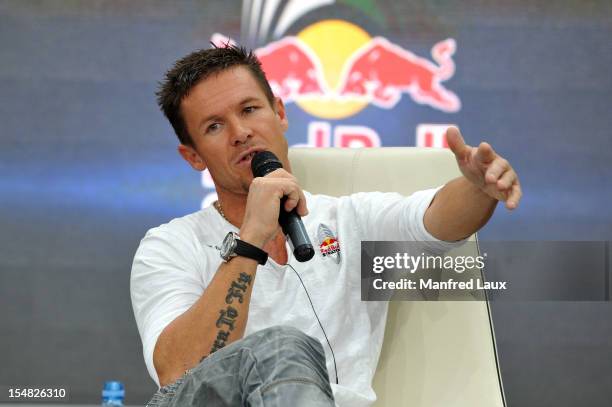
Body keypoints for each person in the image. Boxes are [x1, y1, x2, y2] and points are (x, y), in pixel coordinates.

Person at [130, 44, 521, 407]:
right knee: (282, 346)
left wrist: (478, 188)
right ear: (193, 156)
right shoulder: (170, 245)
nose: (241, 133)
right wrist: (251, 240)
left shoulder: (347, 220)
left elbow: (435, 221)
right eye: (214, 126)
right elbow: (178, 373)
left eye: (250, 109)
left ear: (280, 113)